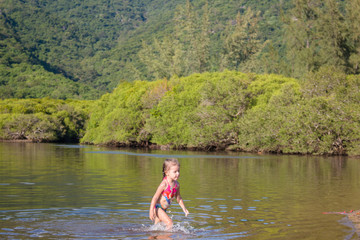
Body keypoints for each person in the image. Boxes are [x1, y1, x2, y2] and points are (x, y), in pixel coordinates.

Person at [149, 158, 189, 230]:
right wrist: (151, 210)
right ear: (167, 172)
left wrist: (184, 208)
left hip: (164, 210)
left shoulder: (177, 185)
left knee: (155, 229)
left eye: (178, 171)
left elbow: (178, 198)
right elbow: (155, 197)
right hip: (158, 208)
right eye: (175, 172)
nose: (178, 173)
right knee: (170, 223)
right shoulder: (164, 184)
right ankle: (167, 237)